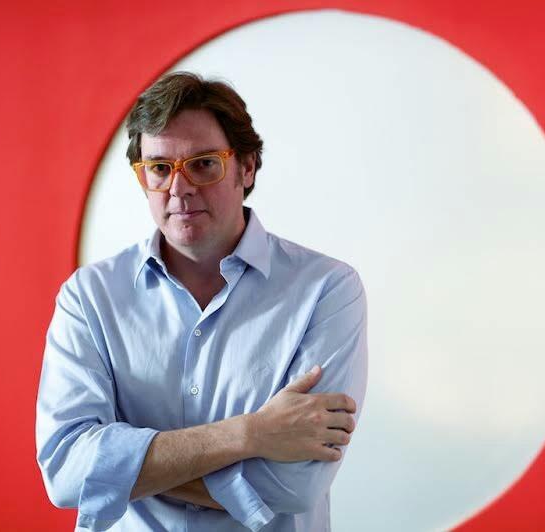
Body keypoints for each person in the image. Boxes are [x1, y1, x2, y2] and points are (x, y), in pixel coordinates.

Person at [35, 71, 368, 531]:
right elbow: (67, 471)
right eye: (159, 168)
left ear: (247, 167)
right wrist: (252, 434)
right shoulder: (89, 297)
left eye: (204, 164)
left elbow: (294, 485)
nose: (179, 188)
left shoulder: (326, 289)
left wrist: (122, 472)